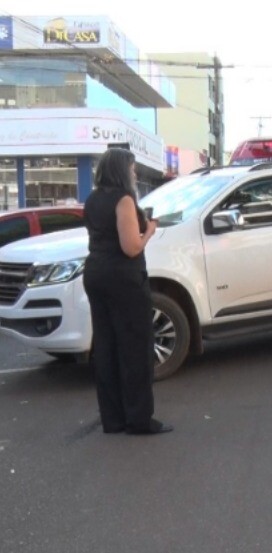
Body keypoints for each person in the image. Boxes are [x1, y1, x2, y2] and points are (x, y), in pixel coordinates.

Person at [83, 148, 172, 435]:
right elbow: (131, 247)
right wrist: (150, 231)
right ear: (123, 170)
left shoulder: (93, 199)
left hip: (96, 273)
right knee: (135, 348)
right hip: (123, 278)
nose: (134, 173)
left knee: (107, 347)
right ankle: (139, 419)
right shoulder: (123, 200)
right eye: (132, 169)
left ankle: (113, 419)